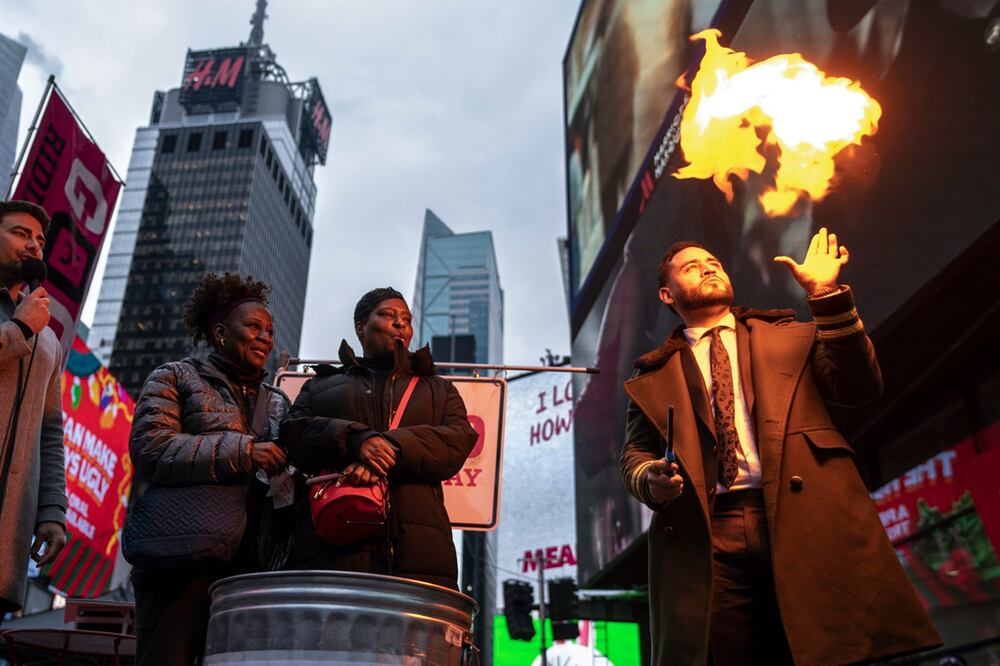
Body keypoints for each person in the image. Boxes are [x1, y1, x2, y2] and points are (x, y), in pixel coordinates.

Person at [620, 228, 941, 665]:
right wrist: (649, 479)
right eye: (691, 267)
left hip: (802, 514)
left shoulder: (791, 334)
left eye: (712, 261)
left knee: (821, 648)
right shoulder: (651, 375)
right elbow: (634, 455)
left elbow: (860, 387)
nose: (708, 267)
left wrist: (826, 294)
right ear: (665, 294)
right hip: (709, 531)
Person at [127, 273, 289, 665]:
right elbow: (153, 447)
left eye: (269, 330)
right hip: (182, 554)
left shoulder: (280, 401)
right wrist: (244, 451)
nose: (265, 337)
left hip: (251, 566)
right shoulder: (175, 376)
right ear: (219, 333)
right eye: (253, 326)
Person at [280, 287, 477, 589]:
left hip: (419, 558)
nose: (401, 324)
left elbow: (458, 439)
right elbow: (294, 434)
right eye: (387, 315)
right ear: (361, 326)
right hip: (332, 554)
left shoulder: (439, 389)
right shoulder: (320, 386)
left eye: (406, 319)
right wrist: (357, 441)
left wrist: (390, 448)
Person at [0, 200, 66, 620]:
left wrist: (52, 510)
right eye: (20, 233)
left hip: (8, 531)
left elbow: (51, 431)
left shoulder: (49, 339)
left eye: (39, 240)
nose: (34, 246)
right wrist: (19, 329)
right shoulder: (30, 327)